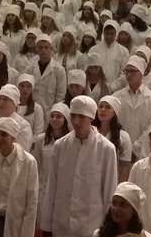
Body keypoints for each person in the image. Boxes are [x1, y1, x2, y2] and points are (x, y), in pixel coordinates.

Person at [40, 95, 118, 237]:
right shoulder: (60, 146)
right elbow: (52, 187)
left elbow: (109, 192)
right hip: (62, 224)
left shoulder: (106, 149)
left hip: (91, 226)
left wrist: (108, 229)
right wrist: (46, 225)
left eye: (81, 117)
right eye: (73, 116)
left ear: (91, 117)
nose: (76, 121)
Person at [112, 56, 151, 157]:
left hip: (144, 152)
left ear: (141, 73)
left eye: (133, 71)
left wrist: (135, 148)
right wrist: (125, 146)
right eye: (127, 71)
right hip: (120, 149)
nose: (129, 75)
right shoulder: (116, 97)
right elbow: (114, 125)